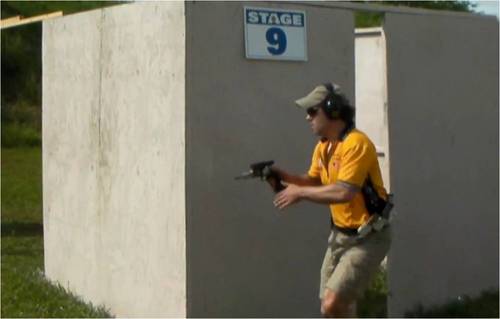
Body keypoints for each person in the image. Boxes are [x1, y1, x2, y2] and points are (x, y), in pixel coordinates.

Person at [271, 83, 392, 318]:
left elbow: (343, 192)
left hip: (368, 238)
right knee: (333, 309)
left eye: (312, 111)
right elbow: (313, 182)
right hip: (340, 236)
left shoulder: (356, 144)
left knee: (332, 304)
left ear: (333, 109)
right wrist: (281, 177)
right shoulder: (323, 148)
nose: (307, 118)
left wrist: (299, 193)